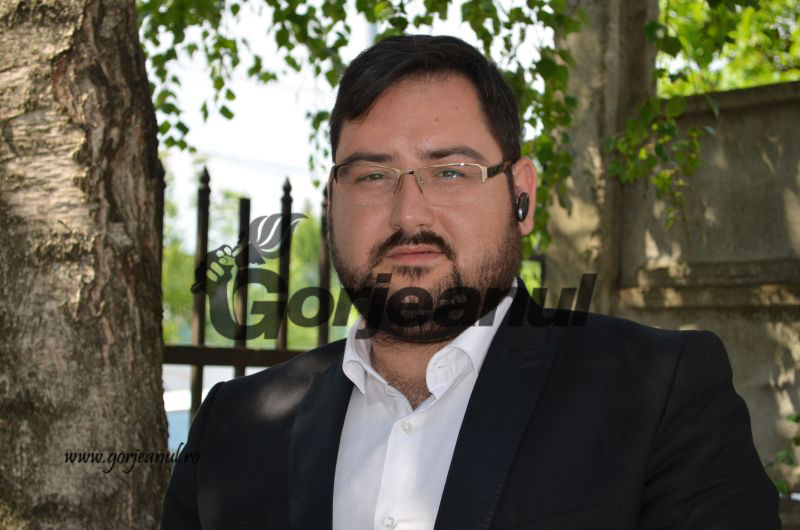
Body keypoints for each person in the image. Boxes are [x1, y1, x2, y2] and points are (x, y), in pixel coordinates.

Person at [161, 35, 779, 529]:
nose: (409, 215)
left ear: (522, 195)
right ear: (332, 201)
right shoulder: (233, 427)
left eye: (452, 172)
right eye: (372, 175)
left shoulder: (659, 393)